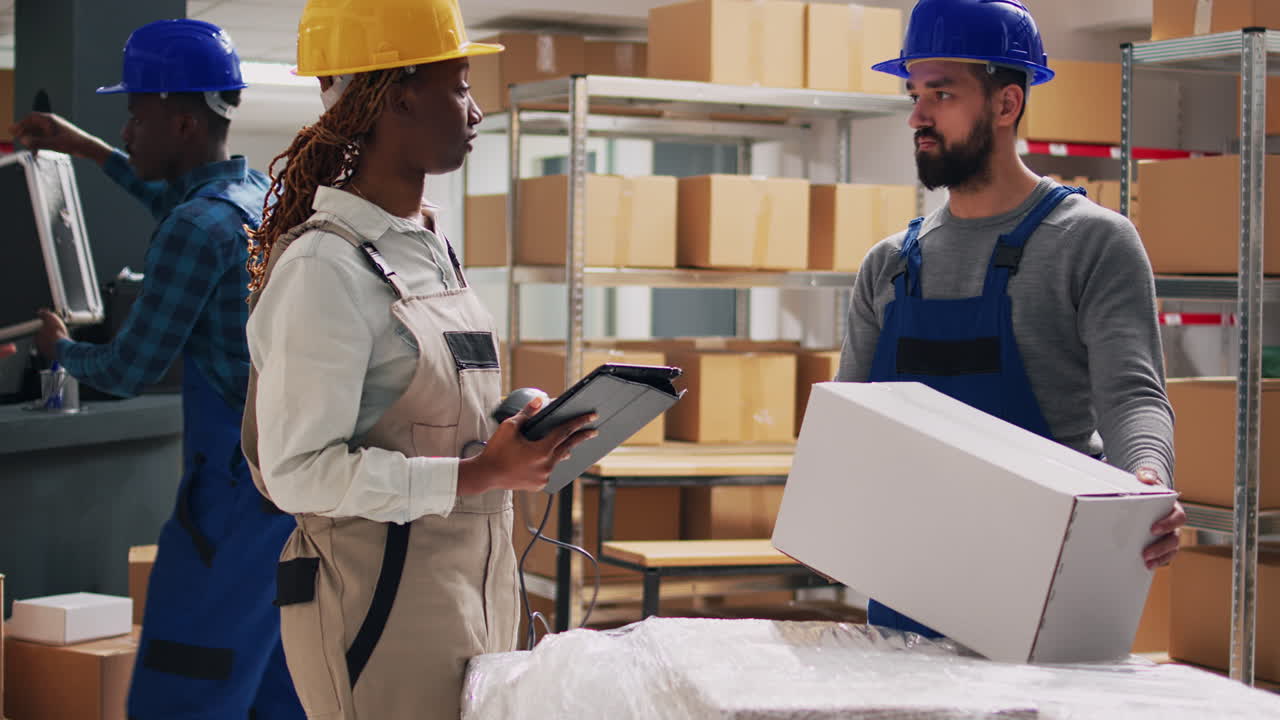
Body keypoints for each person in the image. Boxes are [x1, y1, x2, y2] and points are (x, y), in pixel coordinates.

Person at [240, 1, 596, 717]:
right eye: (460, 85)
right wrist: (478, 472)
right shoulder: (325, 266)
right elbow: (296, 473)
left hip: (473, 596)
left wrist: (508, 430)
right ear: (399, 95)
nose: (476, 111)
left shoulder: (427, 251)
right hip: (379, 617)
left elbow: (420, 413)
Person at [838, 0, 1187, 637]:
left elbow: (1132, 394)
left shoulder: (1093, 242)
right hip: (905, 600)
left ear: (1006, 105)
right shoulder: (887, 266)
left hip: (1049, 590)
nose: (917, 115)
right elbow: (849, 430)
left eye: (941, 93)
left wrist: (1146, 483)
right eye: (914, 93)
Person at [12, 19, 304, 719]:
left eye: (137, 114)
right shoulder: (257, 199)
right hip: (285, 498)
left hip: (224, 511)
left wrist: (60, 351)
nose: (129, 129)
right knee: (275, 691)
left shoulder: (193, 230)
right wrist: (82, 146)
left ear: (179, 122)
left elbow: (130, 367)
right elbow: (166, 198)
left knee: (183, 689)